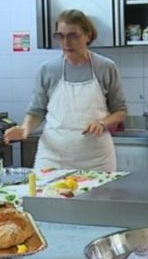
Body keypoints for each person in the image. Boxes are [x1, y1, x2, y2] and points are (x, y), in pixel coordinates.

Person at [4, 9, 127, 172]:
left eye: (73, 36)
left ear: (88, 36)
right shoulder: (48, 69)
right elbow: (37, 110)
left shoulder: (105, 68)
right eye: (60, 36)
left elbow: (120, 111)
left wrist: (102, 123)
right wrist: (25, 128)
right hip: (53, 158)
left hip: (96, 160)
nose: (66, 43)